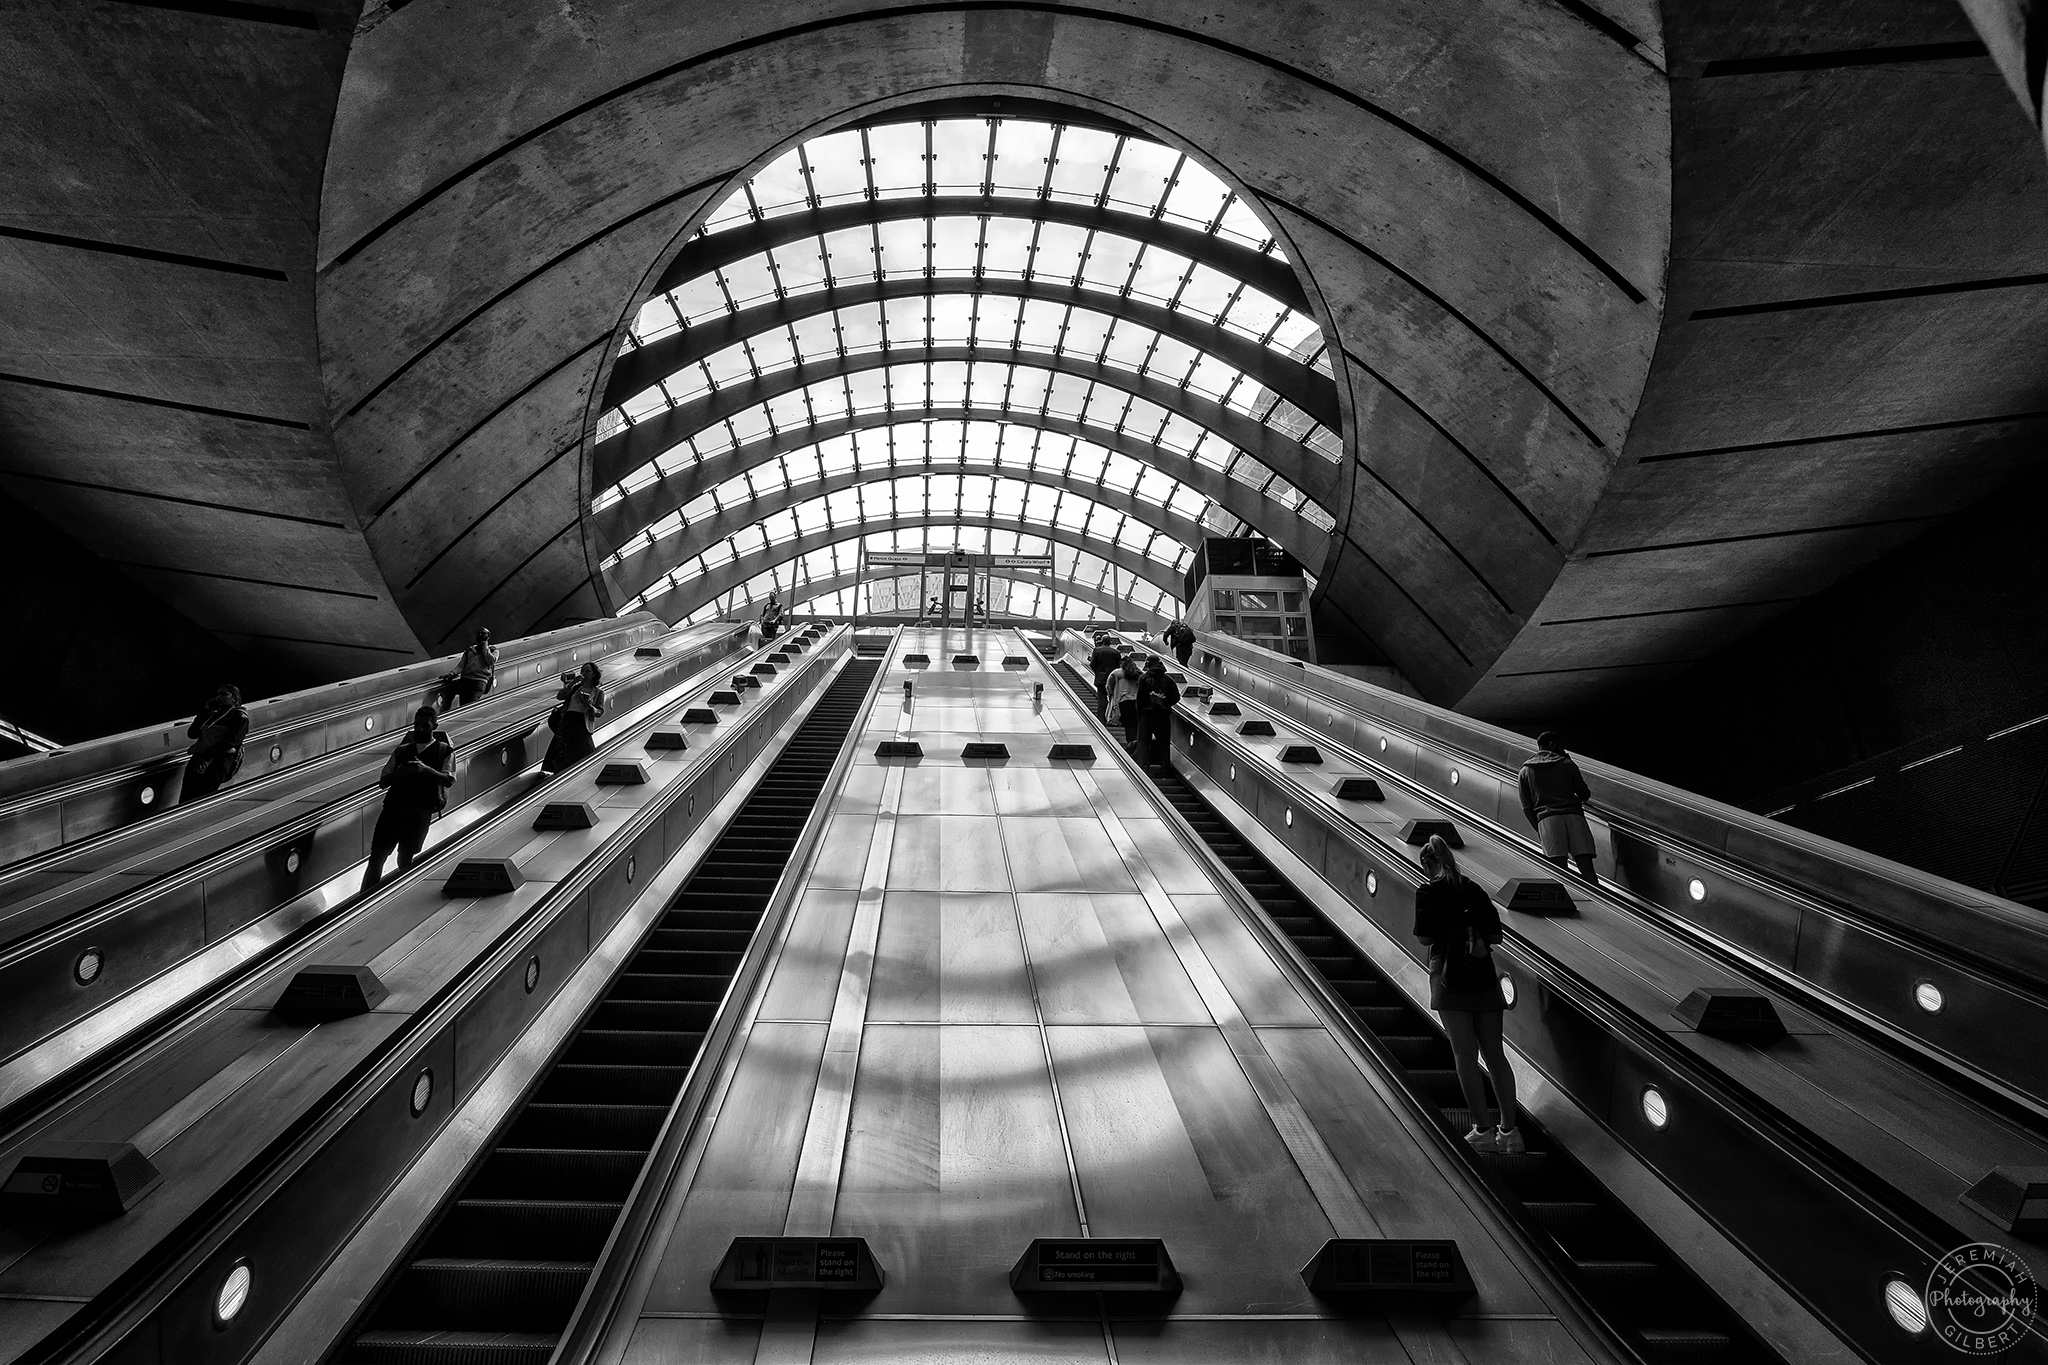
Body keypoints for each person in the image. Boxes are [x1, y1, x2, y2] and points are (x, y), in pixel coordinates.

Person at [1412, 834, 1522, 1154]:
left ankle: (1483, 1130)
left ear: (1428, 863)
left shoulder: (1428, 892)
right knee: (1495, 1054)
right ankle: (1510, 1132)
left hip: (1449, 977)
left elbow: (1424, 938)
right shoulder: (1473, 889)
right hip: (1483, 975)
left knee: (1465, 1054)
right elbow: (1496, 936)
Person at [361, 705, 455, 893]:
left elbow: (448, 779)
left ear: (434, 726)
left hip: (420, 810)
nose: (419, 729)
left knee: (405, 857)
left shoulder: (445, 751)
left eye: (425, 725)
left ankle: (401, 894)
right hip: (393, 808)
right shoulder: (402, 751)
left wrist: (424, 769)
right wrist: (400, 773)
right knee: (377, 856)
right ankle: (364, 897)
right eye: (417, 725)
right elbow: (383, 781)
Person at [1519, 731, 1598, 884]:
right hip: (1574, 817)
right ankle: (1598, 897)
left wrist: (1539, 828)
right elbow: (1584, 793)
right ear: (1552, 744)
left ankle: (1564, 897)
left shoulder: (1525, 771)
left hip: (1547, 820)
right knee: (1586, 866)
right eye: (1561, 746)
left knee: (1558, 870)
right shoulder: (1567, 765)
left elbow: (1527, 808)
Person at [180, 684, 249, 804]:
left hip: (218, 760)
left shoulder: (240, 717)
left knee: (205, 796)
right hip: (198, 757)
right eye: (218, 694)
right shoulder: (213, 715)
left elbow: (230, 742)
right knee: (187, 795)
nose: (219, 697)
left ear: (234, 698)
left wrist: (206, 758)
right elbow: (192, 733)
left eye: (224, 694)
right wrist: (205, 711)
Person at [541, 662, 606, 775]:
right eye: (583, 670)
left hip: (582, 722)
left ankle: (581, 772)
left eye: (587, 671)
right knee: (562, 748)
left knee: (583, 749)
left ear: (594, 674)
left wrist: (589, 705)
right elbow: (560, 696)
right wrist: (572, 683)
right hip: (568, 720)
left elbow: (599, 711)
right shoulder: (576, 687)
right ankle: (556, 772)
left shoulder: (599, 692)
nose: (584, 673)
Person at [1134, 656, 1181, 768]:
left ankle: (1143, 768)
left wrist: (1139, 715)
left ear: (1148, 664)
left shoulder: (1143, 678)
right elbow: (1176, 697)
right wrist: (1166, 703)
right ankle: (1165, 770)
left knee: (1143, 743)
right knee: (1164, 744)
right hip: (1163, 715)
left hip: (1147, 715)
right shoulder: (1168, 680)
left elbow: (1139, 698)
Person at [439, 627, 498, 709]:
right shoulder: (469, 651)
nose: (480, 635)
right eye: (479, 633)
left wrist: (485, 648)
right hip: (465, 680)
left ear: (488, 637)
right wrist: (451, 674)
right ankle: (445, 711)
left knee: (470, 705)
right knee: (458, 700)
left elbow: (491, 661)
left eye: (483, 633)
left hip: (479, 682)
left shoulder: (493, 651)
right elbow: (460, 666)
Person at [1104, 655, 1143, 753]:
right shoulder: (1138, 673)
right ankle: (1139, 745)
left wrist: (1111, 695)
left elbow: (1108, 686)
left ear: (1121, 664)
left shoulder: (1117, 673)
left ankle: (1131, 745)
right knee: (1136, 723)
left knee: (1128, 724)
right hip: (1137, 701)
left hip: (1124, 701)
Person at [1087, 632, 1122, 718]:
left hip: (1101, 678)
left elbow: (1092, 664)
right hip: (1113, 679)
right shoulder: (1116, 652)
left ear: (1102, 641)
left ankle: (1102, 717)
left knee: (1102, 697)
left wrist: (1097, 672)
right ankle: (1111, 716)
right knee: (1112, 697)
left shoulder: (1097, 650)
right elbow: (1119, 666)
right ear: (1110, 642)